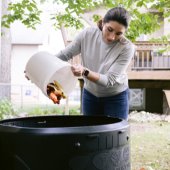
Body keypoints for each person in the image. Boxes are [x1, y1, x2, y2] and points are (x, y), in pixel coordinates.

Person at [56, 7, 135, 120]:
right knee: (90, 134)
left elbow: (109, 80)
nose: (112, 37)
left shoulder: (127, 48)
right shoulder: (87, 35)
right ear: (103, 23)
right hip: (90, 95)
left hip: (116, 97)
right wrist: (40, 66)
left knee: (115, 135)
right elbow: (65, 55)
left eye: (119, 33)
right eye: (109, 29)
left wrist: (84, 71)